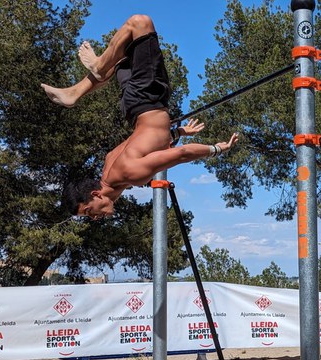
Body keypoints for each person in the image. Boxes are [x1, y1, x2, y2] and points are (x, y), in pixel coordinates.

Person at [41, 14, 238, 220]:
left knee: (140, 22)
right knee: (120, 57)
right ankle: (83, 85)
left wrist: (216, 149)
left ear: (96, 194)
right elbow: (145, 142)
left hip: (147, 98)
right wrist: (178, 132)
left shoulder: (131, 173)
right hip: (132, 108)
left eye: (89, 211)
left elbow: (183, 154)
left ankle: (94, 72)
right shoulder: (110, 167)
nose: (94, 218)